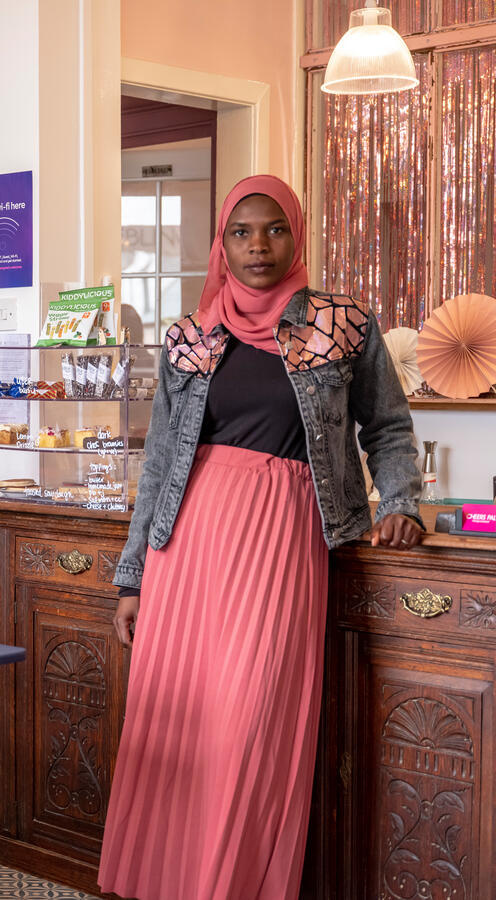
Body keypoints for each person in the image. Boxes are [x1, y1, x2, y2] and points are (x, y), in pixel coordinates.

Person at [98, 175, 424, 900]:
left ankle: (233, 884)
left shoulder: (343, 326)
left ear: (296, 235)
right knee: (182, 721)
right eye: (241, 232)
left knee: (252, 722)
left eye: (273, 229)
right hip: (188, 546)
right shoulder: (191, 336)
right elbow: (157, 465)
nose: (257, 246)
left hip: (283, 539)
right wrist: (132, 579)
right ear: (222, 242)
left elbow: (391, 428)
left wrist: (400, 501)